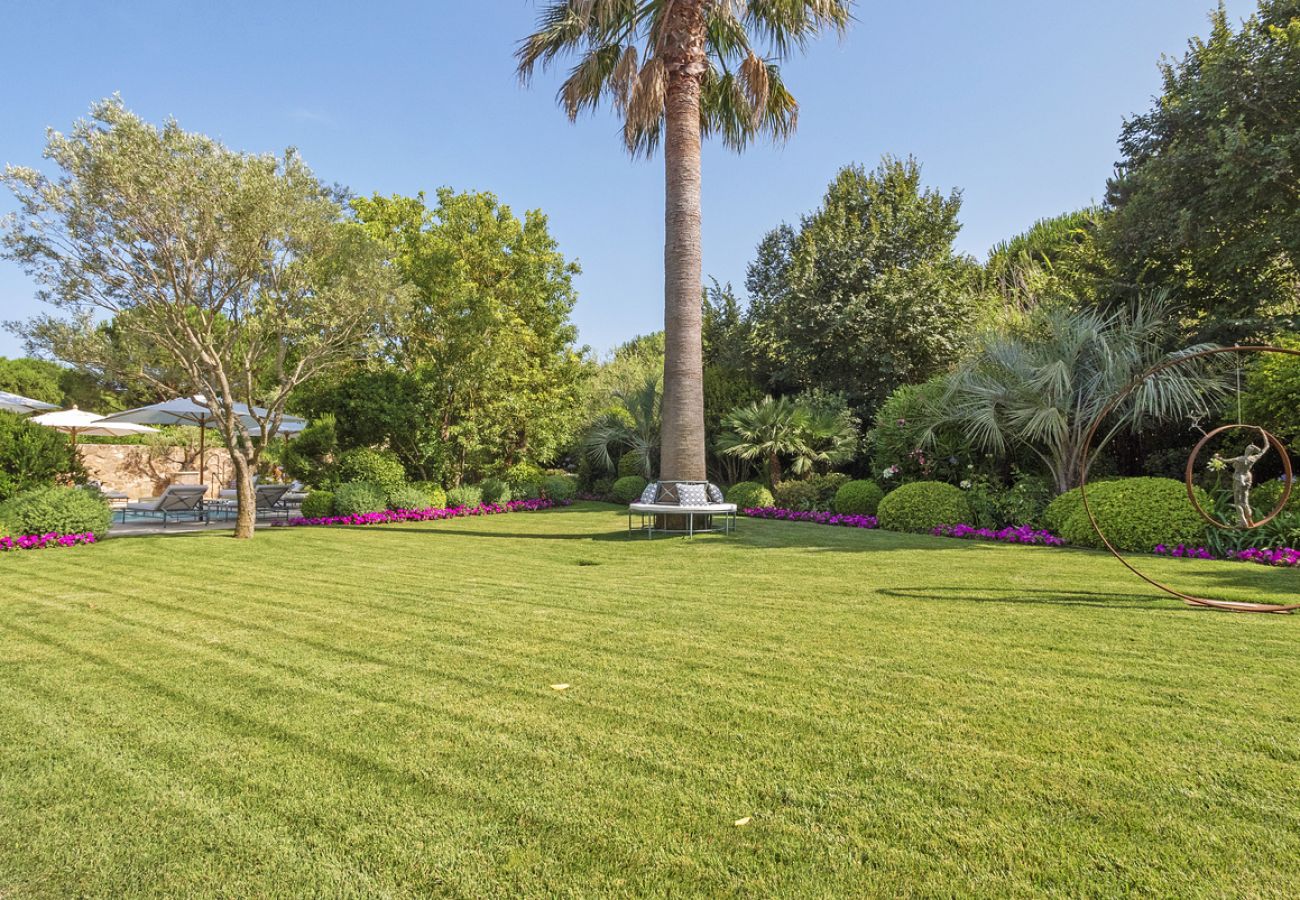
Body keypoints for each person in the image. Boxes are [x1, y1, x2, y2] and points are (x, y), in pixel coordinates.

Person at [1215, 430, 1269, 528]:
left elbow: (1224, 460)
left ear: (1246, 450)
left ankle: (1242, 521)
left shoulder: (1239, 459)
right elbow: (1266, 446)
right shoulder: (1254, 458)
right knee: (1245, 501)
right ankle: (1249, 520)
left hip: (1239, 478)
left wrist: (1217, 457)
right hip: (1248, 477)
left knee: (1237, 502)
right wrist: (1262, 432)